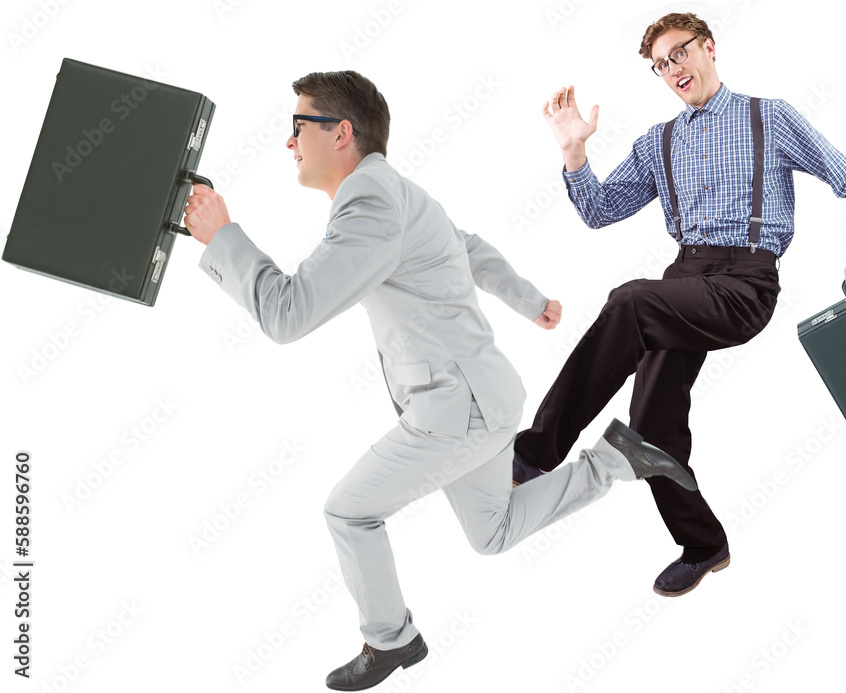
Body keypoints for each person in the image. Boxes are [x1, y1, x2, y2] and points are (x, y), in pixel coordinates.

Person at [182, 69, 697, 690]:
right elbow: (468, 247)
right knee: (493, 532)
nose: (288, 143)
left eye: (298, 127)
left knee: (348, 513)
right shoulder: (394, 192)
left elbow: (287, 314)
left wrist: (222, 237)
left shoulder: (369, 205)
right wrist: (530, 300)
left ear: (340, 132)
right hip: (484, 400)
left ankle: (392, 640)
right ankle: (619, 458)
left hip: (458, 412)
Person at [513, 12, 846, 598]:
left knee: (630, 302)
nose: (672, 70)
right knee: (651, 428)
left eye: (679, 54)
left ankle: (533, 454)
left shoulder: (770, 117)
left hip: (745, 283)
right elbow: (600, 211)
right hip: (685, 278)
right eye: (660, 65)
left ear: (709, 48)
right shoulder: (658, 143)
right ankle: (705, 545)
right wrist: (575, 153)